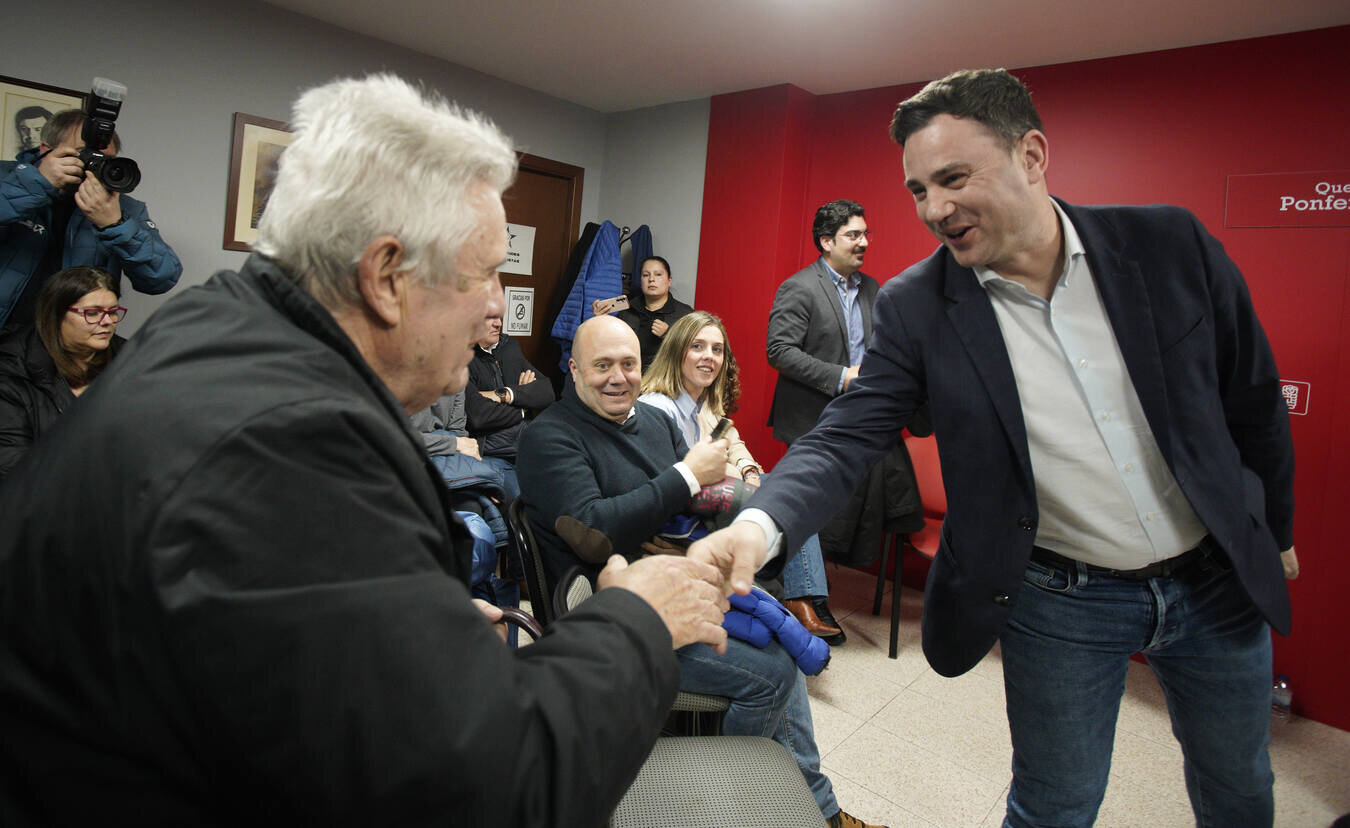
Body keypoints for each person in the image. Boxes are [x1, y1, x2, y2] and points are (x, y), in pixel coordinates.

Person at [0, 74, 734, 826]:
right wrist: (637, 619)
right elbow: (494, 796)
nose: (495, 305)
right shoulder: (293, 454)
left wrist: (408, 610)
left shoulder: (215, 323)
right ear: (386, 276)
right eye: (483, 273)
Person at [692, 69, 1298, 828]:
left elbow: (1252, 399)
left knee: (1239, 786)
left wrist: (1272, 531)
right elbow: (847, 433)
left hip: (1214, 581)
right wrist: (758, 524)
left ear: (1033, 155)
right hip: (1060, 601)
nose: (933, 209)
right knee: (1054, 803)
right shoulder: (917, 306)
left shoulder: (1168, 244)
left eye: (952, 179)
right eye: (917, 190)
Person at [516, 314, 884, 828]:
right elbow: (597, 531)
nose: (617, 377)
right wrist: (686, 475)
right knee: (776, 674)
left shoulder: (656, 420)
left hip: (675, 583)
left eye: (628, 364)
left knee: (782, 644)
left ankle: (815, 807)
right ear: (573, 370)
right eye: (601, 366)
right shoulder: (550, 438)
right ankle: (739, 805)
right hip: (608, 621)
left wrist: (724, 511)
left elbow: (680, 510)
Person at [638, 310, 844, 644]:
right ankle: (802, 600)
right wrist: (744, 478)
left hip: (718, 499)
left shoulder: (701, 402)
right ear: (677, 351)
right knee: (785, 496)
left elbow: (732, 440)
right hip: (686, 515)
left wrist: (748, 470)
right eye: (698, 347)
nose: (709, 357)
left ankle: (804, 598)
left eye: (717, 350)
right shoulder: (659, 407)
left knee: (795, 486)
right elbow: (680, 478)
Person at [764, 199, 879, 637]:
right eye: (854, 235)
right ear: (827, 242)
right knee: (805, 504)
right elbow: (780, 351)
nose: (864, 242)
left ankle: (804, 591)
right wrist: (841, 377)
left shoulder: (871, 289)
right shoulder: (800, 287)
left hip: (857, 420)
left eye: (866, 233)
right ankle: (806, 602)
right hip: (810, 418)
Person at [0, 108, 181, 332]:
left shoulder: (120, 206)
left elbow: (161, 278)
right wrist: (37, 182)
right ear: (47, 150)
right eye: (84, 155)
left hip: (73, 348)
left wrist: (116, 225)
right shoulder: (7, 178)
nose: (93, 168)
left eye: (105, 161)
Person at [0, 265, 124, 479]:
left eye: (113, 312)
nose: (107, 322)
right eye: (92, 313)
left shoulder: (131, 359)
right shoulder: (10, 371)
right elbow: (12, 464)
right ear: (56, 315)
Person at [464, 311, 553, 501]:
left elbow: (546, 391)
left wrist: (507, 395)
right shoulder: (461, 356)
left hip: (529, 445)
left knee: (564, 487)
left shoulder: (508, 346)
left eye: (499, 317)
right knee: (526, 500)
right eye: (490, 318)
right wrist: (524, 406)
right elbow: (478, 416)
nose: (498, 324)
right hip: (491, 453)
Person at [613, 255, 692, 370]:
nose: (651, 279)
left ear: (669, 280)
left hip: (665, 382)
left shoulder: (684, 314)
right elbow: (612, 347)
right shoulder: (626, 311)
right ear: (640, 281)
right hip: (628, 377)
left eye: (658, 274)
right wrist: (599, 320)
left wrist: (668, 334)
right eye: (646, 275)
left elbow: (693, 354)